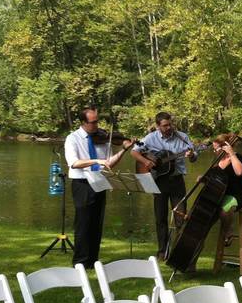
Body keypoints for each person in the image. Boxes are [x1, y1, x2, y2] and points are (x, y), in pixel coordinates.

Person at [64, 107, 134, 268]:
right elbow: (74, 163)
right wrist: (97, 161)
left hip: (100, 182)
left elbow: (108, 163)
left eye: (97, 121)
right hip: (82, 183)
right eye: (93, 122)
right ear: (83, 123)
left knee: (97, 223)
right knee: (83, 223)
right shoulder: (73, 138)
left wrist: (123, 149)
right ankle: (80, 262)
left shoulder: (102, 138)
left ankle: (93, 260)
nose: (97, 125)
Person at [130, 112, 197, 260]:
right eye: (165, 125)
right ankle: (162, 252)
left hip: (177, 181)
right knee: (160, 218)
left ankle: (180, 252)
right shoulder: (150, 138)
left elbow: (194, 157)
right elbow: (134, 152)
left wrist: (192, 155)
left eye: (170, 124)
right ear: (158, 126)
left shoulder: (182, 137)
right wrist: (146, 161)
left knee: (181, 217)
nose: (169, 128)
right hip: (159, 181)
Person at [207, 133, 242, 247]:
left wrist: (231, 154)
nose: (215, 152)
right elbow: (212, 178)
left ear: (225, 147)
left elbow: (239, 172)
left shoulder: (239, 159)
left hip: (235, 195)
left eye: (216, 149)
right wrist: (203, 178)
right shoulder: (217, 160)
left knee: (225, 209)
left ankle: (228, 230)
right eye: (214, 149)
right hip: (218, 195)